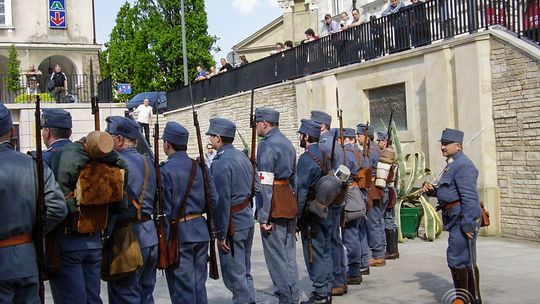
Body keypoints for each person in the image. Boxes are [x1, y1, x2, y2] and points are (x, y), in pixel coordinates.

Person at [0, 103, 67, 304]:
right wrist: (35, 231)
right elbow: (57, 207)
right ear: (11, 131)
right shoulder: (32, 164)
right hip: (27, 258)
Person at [51, 130, 128, 304]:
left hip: (69, 238)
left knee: (72, 299)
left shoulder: (67, 155)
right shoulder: (113, 161)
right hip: (95, 240)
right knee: (93, 298)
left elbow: (58, 201)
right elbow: (119, 202)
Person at [421, 128, 482, 303]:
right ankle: (469, 298)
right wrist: (433, 191)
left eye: (446, 144)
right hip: (455, 216)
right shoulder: (453, 164)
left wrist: (469, 224)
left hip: (461, 218)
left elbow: (470, 198)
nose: (442, 147)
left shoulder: (463, 165)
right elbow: (449, 192)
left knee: (458, 258)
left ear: (458, 145)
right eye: (442, 143)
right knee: (464, 259)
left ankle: (463, 299)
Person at [105, 116, 158, 303]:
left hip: (126, 238)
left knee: (125, 297)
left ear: (119, 140)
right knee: (146, 295)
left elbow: (111, 207)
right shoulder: (148, 161)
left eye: (109, 135)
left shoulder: (115, 164)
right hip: (150, 235)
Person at [207, 117, 258, 304]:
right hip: (245, 218)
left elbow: (221, 202)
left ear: (218, 138)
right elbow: (255, 188)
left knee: (235, 276)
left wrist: (220, 235)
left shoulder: (220, 162)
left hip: (233, 224)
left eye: (211, 136)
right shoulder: (242, 157)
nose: (210, 140)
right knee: (244, 270)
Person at [160, 121, 213, 304]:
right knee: (199, 286)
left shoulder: (166, 170)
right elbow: (214, 199)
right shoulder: (199, 167)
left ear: (168, 143)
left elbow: (165, 211)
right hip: (200, 230)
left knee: (183, 290)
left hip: (179, 234)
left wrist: (165, 242)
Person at [255, 107, 299, 304]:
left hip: (274, 204)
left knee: (276, 257)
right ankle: (294, 295)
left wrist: (264, 215)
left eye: (257, 122)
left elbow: (265, 183)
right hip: (288, 201)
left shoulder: (266, 145)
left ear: (264, 123)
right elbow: (295, 179)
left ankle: (285, 297)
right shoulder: (288, 143)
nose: (256, 126)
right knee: (289, 255)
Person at [296, 118, 334, 304]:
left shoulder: (305, 159)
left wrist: (297, 218)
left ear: (306, 136)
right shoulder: (325, 154)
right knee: (326, 250)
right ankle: (326, 288)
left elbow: (301, 191)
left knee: (314, 252)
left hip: (311, 213)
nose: (300, 138)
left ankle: (320, 293)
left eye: (301, 135)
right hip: (326, 209)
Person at [309, 111, 346, 296]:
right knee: (335, 239)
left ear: (321, 126)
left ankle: (336, 280)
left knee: (330, 240)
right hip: (336, 196)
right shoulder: (335, 143)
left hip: (329, 197)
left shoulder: (324, 144)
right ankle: (340, 278)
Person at [341, 127, 370, 285]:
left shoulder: (346, 154)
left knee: (350, 236)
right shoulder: (360, 153)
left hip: (351, 196)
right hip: (360, 194)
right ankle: (363, 262)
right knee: (360, 233)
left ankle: (354, 271)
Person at [357, 123, 387, 267]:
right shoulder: (376, 148)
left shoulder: (370, 151)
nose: (358, 138)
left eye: (359, 135)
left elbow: (365, 169)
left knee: (373, 222)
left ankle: (378, 254)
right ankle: (381, 250)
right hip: (379, 188)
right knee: (378, 221)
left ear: (366, 136)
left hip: (373, 188)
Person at [376, 131, 399, 260]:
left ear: (385, 141)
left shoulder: (389, 156)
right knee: (389, 220)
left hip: (389, 191)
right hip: (391, 190)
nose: (379, 143)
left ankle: (392, 250)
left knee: (389, 220)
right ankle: (392, 249)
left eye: (380, 141)